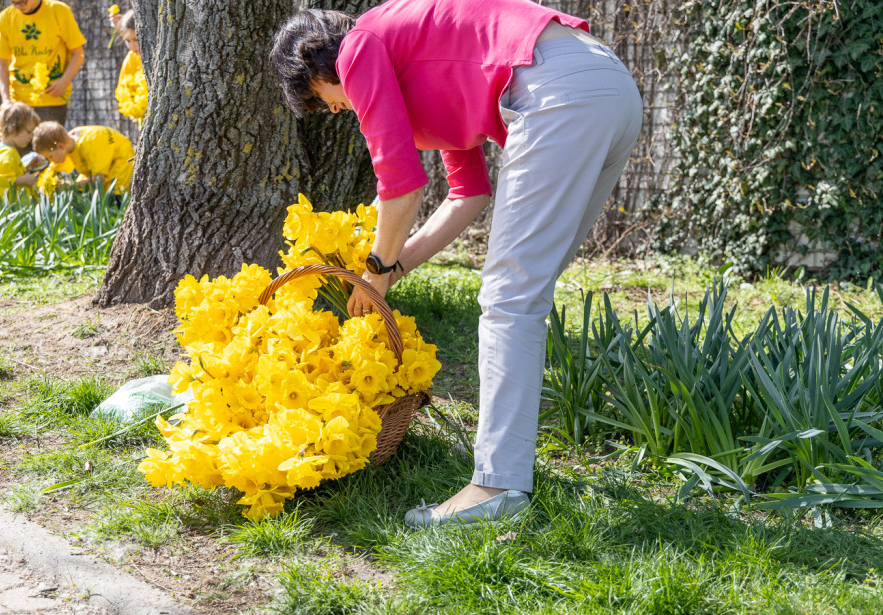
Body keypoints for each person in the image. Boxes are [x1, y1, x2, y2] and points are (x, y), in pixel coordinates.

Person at [270, 0, 643, 527]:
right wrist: (394, 272)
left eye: (320, 98)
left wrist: (375, 269)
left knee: (510, 298)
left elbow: (400, 188)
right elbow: (467, 194)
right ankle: (505, 479)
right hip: (609, 85)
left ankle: (496, 487)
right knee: (522, 295)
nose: (333, 109)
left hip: (555, 90)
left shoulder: (359, 47)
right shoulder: (414, 59)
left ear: (319, 65)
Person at [0, 0, 86, 130]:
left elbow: (78, 54)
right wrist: (6, 100)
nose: (18, 6)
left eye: (22, 2)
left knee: (47, 149)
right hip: (18, 102)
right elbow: (1, 62)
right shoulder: (5, 17)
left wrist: (64, 82)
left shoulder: (59, 11)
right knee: (17, 150)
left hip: (51, 99)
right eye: (14, 2)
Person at [32, 121, 134, 194]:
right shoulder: (69, 142)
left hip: (121, 158)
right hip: (100, 163)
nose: (51, 161)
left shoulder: (89, 145)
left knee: (114, 194)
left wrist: (71, 186)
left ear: (60, 146)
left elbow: (98, 178)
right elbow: (54, 168)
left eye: (50, 157)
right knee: (82, 190)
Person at [0, 101, 43, 197]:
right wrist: (25, 180)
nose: (31, 136)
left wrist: (28, 168)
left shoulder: (5, 150)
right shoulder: (6, 153)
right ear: (12, 128)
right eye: (29, 131)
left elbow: (9, 173)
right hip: (9, 206)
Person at [112, 9, 147, 124]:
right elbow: (124, 87)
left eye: (136, 40)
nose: (132, 46)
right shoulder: (132, 58)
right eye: (127, 41)